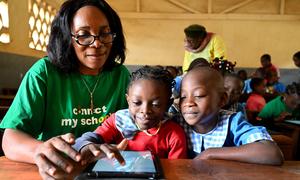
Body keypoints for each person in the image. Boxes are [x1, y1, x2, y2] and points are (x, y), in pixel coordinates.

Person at [0, 0, 130, 179]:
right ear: (66, 37)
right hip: (56, 172)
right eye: (84, 35)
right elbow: (11, 139)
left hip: (105, 170)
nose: (97, 43)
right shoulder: (43, 72)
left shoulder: (120, 75)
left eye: (104, 33)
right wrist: (40, 150)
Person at [73, 66, 187, 164]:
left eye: (156, 104)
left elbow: (176, 171)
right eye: (137, 103)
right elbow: (91, 138)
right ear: (128, 100)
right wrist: (85, 145)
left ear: (168, 104)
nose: (145, 110)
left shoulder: (174, 134)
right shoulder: (118, 121)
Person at [177, 66, 283, 165]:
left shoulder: (232, 123)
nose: (188, 103)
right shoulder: (177, 124)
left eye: (199, 95)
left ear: (222, 99)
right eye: (183, 97)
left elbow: (272, 153)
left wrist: (210, 153)